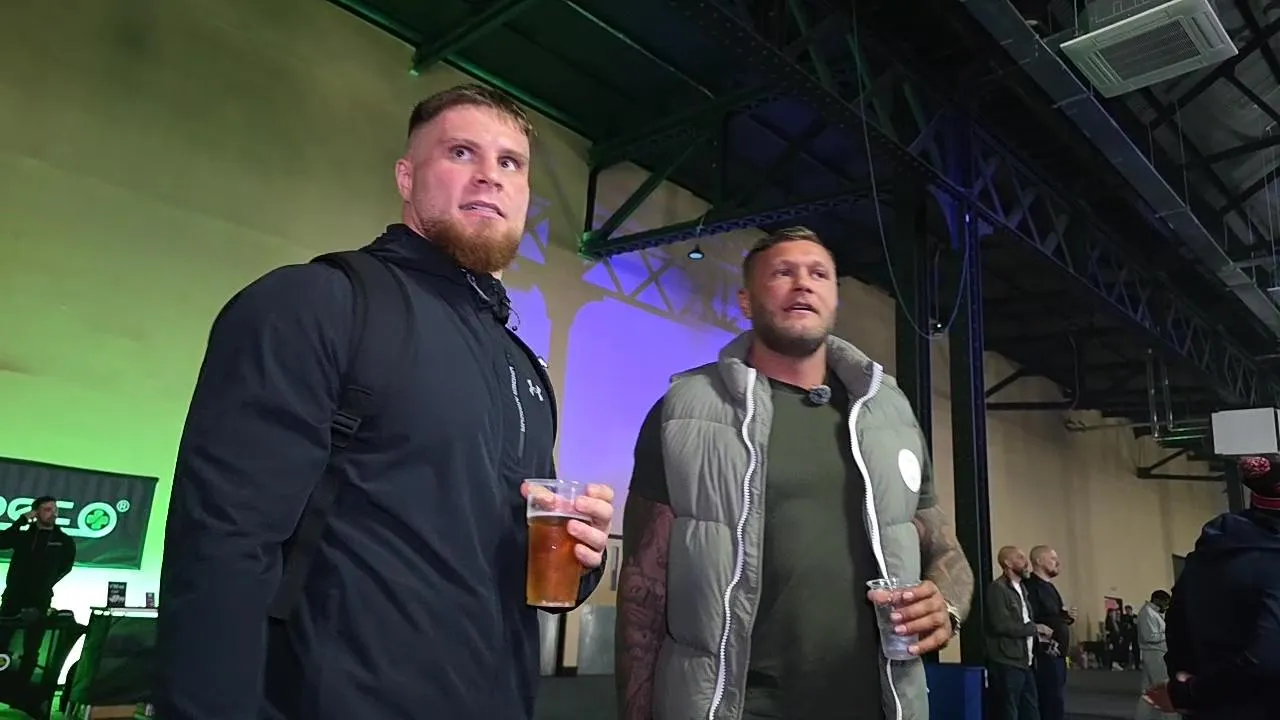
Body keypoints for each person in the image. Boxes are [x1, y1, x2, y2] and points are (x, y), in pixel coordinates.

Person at [153, 84, 614, 719]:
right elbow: (220, 546)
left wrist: (583, 559)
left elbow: (506, 559)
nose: (490, 175)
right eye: (461, 152)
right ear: (406, 176)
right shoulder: (317, 304)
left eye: (510, 162)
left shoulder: (524, 369)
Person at [614, 227, 974, 720]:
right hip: (730, 708)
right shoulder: (684, 410)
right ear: (746, 301)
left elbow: (946, 550)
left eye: (819, 274)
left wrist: (947, 602)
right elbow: (643, 587)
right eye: (783, 273)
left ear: (834, 300)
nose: (803, 283)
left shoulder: (889, 414)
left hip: (877, 706)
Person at [1144, 455, 1280, 719]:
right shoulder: (1273, 561)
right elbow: (1267, 658)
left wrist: (1185, 688)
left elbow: (1177, 622)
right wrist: (1194, 692)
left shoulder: (1208, 553)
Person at [0, 496, 76, 664]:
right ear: (36, 512)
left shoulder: (63, 541)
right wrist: (21, 521)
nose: (53, 514)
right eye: (48, 510)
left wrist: (46, 583)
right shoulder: (24, 536)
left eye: (55, 510)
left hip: (40, 600)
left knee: (32, 648)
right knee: (2, 640)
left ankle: (25, 679)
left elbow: (66, 566)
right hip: (13, 597)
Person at [986, 545, 1053, 720]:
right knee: (1009, 712)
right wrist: (1035, 628)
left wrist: (1037, 633)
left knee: (1031, 711)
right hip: (1007, 662)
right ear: (1008, 563)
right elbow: (1001, 625)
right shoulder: (997, 589)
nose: (1026, 563)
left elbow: (1024, 620)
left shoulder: (1022, 589)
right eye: (1020, 558)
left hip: (1025, 661)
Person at [1025, 545, 1075, 720]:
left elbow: (1053, 616)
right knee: (1049, 700)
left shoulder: (1050, 588)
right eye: (1052, 558)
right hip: (1044, 654)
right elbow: (1033, 618)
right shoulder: (1030, 587)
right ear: (1039, 561)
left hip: (1058, 653)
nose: (1057, 562)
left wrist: (1066, 617)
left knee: (1057, 699)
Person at [1134, 590, 1173, 720]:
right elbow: (1149, 636)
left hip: (1154, 654)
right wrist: (1168, 634)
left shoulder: (1154, 613)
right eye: (1165, 602)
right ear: (1157, 600)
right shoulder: (1147, 613)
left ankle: (1141, 717)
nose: (1166, 606)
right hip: (1154, 654)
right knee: (1163, 688)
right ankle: (1169, 717)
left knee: (1148, 691)